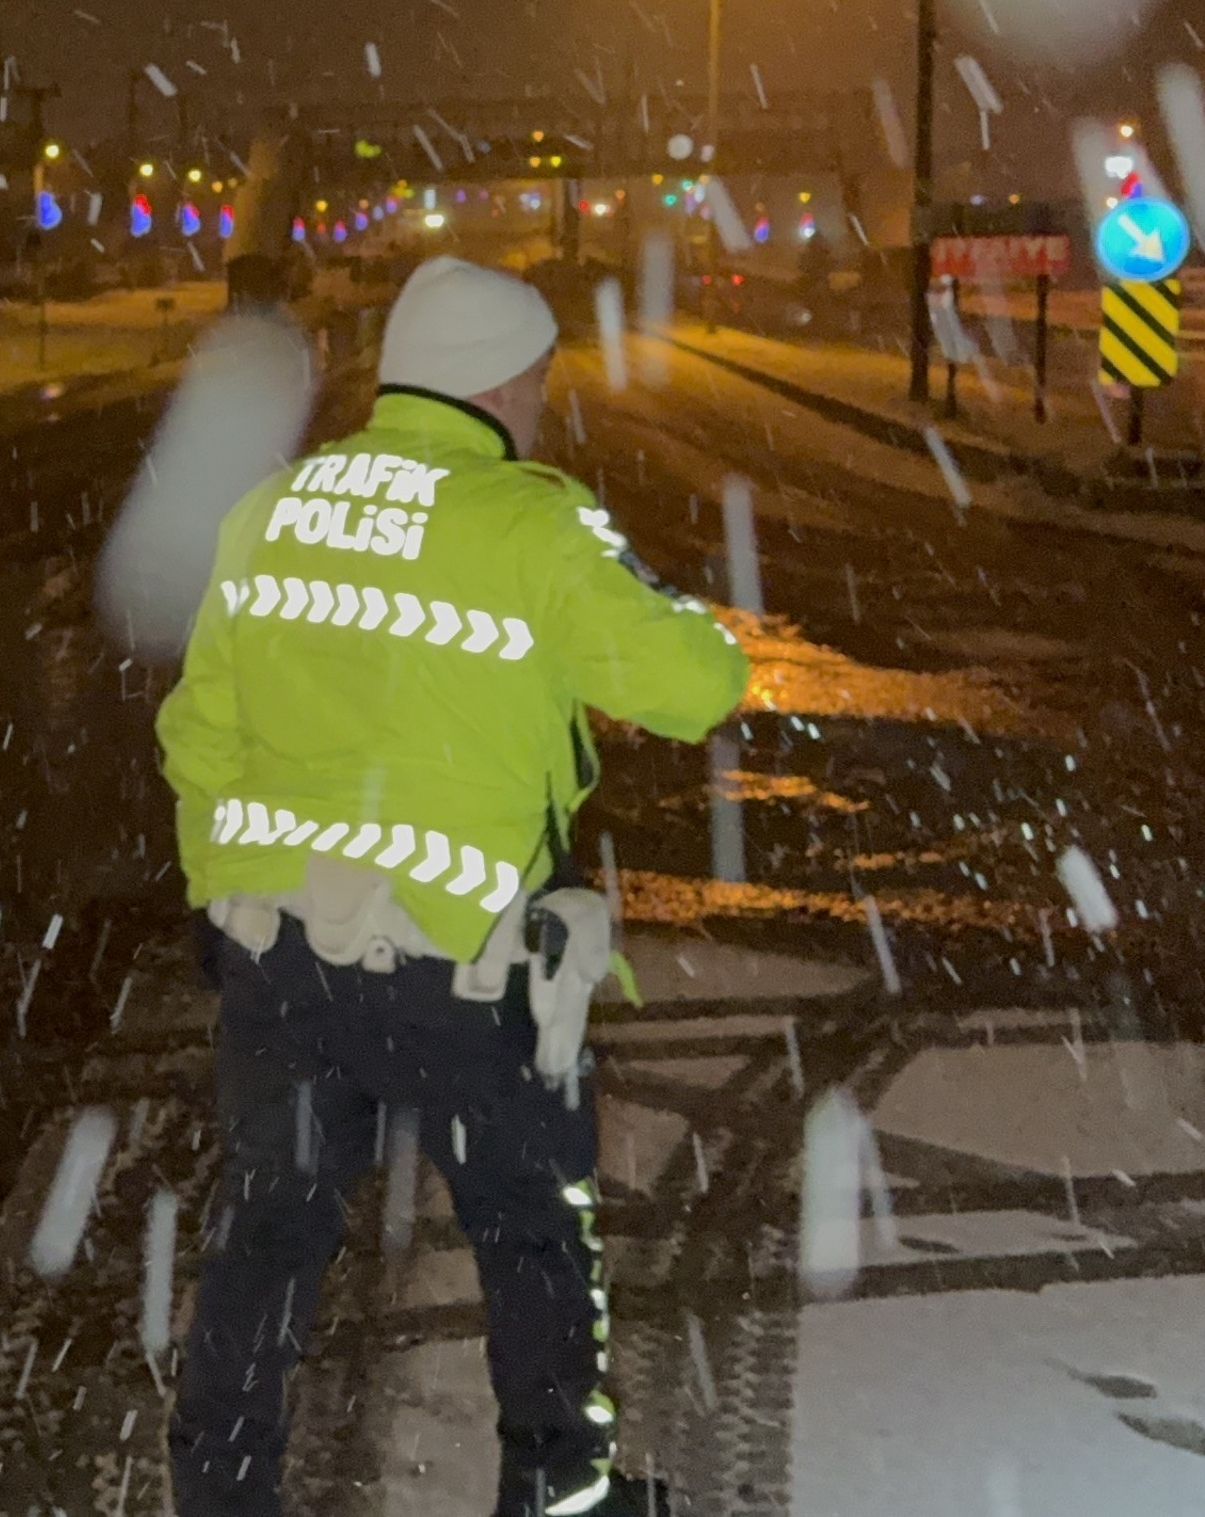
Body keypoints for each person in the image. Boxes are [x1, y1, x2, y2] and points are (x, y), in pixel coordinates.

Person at [156, 255, 751, 1517]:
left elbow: (197, 734)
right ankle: (556, 1493)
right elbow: (699, 683)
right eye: (537, 382)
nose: (540, 405)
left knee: (264, 1237)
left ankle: (219, 1496)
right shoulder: (531, 520)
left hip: (280, 958)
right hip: (473, 979)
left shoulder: (269, 511)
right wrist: (625, 584)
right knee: (534, 1234)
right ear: (503, 382)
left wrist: (221, 900)